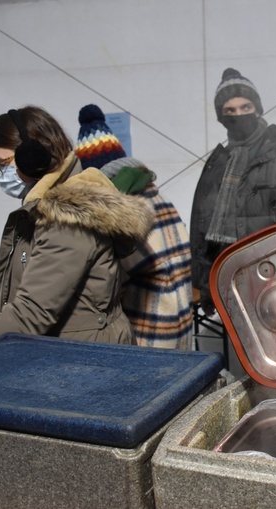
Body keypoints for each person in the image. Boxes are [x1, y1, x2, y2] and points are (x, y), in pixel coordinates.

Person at [0, 105, 153, 362]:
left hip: (87, 363)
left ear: (33, 157)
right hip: (73, 354)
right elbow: (28, 294)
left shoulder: (69, 218)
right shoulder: (44, 209)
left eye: (3, 164)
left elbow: (30, 314)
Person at [190, 68, 276, 313]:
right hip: (228, 279)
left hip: (272, 279)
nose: (238, 115)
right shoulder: (219, 162)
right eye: (230, 110)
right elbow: (201, 226)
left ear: (257, 109)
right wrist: (202, 283)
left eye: (245, 107)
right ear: (221, 117)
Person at [76, 104, 195, 350]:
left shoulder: (121, 210)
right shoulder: (155, 196)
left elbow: (106, 288)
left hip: (150, 335)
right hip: (181, 324)